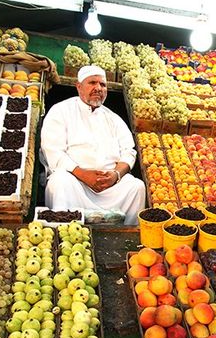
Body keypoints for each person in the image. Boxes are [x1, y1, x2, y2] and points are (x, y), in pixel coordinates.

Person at [41, 65, 147, 225]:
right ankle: (62, 237)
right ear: (79, 87)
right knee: (59, 182)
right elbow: (53, 151)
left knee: (136, 187)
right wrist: (83, 174)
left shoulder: (114, 118)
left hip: (109, 184)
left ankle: (125, 238)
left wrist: (115, 175)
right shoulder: (61, 111)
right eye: (92, 82)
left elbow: (129, 152)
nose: (98, 88)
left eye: (103, 85)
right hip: (75, 181)